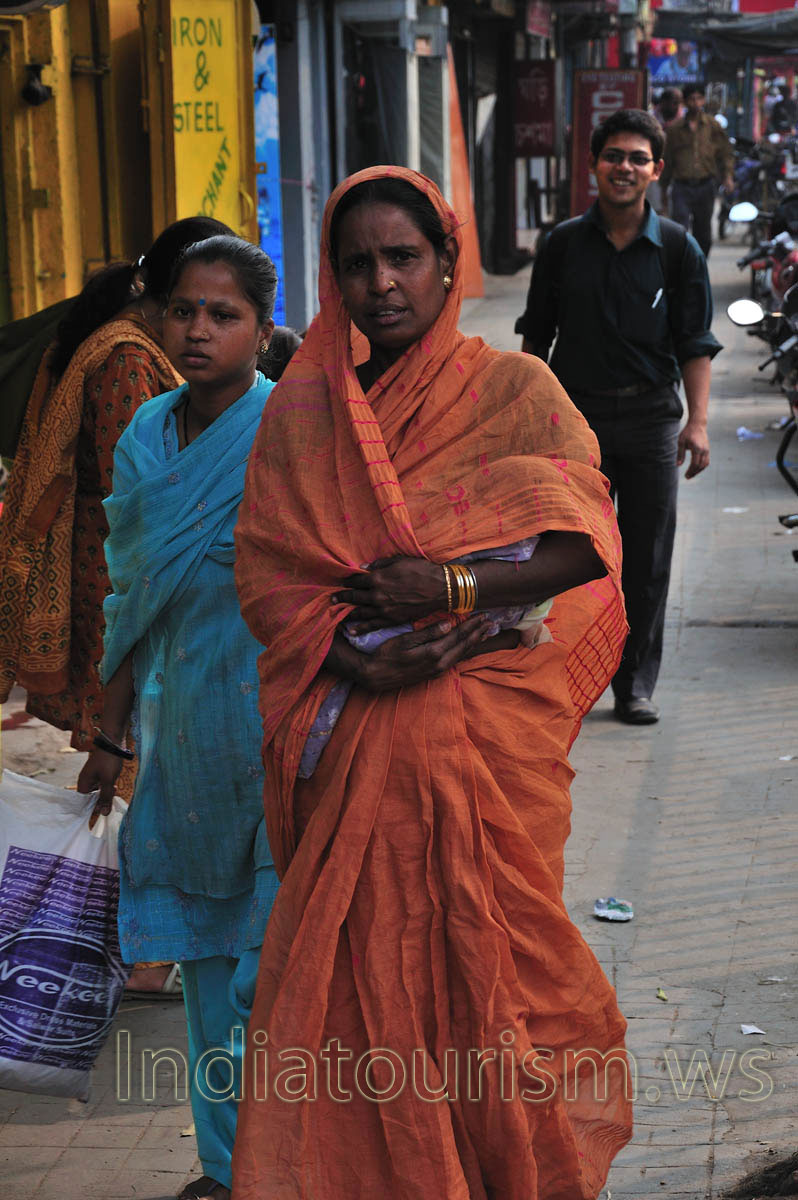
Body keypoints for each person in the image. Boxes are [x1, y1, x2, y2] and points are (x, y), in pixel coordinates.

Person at [231, 166, 633, 1199]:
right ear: (334, 280)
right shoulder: (307, 418)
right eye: (356, 264)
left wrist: (445, 586)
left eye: (402, 257)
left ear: (448, 263)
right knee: (357, 988)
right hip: (356, 734)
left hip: (482, 741)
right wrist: (356, 656)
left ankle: (508, 1173)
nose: (381, 284)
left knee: (493, 972)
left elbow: (583, 544)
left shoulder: (514, 390)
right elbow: (272, 581)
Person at [76, 235, 280, 1200]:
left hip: (279, 722)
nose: (199, 330)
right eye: (184, 311)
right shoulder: (145, 435)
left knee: (266, 970)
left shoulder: (290, 431)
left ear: (263, 330)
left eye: (224, 314)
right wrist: (110, 734)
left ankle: (290, 1160)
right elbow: (130, 600)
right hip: (181, 730)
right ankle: (225, 1166)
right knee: (204, 964)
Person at [0, 215, 232, 795]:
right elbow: (132, 488)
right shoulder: (126, 358)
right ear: (174, 298)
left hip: (124, 556)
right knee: (135, 734)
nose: (205, 327)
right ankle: (129, 860)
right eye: (198, 307)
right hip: (118, 563)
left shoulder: (138, 341)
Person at [516, 109, 722, 725]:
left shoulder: (680, 249)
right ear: (593, 165)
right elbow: (536, 340)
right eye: (614, 156)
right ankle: (561, 681)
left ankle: (633, 684)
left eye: (637, 158)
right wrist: (527, 419)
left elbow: (696, 342)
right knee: (563, 555)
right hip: (573, 426)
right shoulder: (560, 246)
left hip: (652, 422)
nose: (624, 168)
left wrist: (699, 422)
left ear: (656, 170)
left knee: (647, 559)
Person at [661, 82, 734, 258]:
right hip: (681, 186)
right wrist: (663, 189)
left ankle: (699, 265)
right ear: (685, 102)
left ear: (703, 100)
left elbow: (725, 153)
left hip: (705, 184)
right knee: (680, 228)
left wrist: (728, 177)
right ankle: (681, 267)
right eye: (691, 99)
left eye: (698, 99)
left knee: (703, 231)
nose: (695, 103)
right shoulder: (674, 129)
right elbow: (668, 159)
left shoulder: (713, 126)